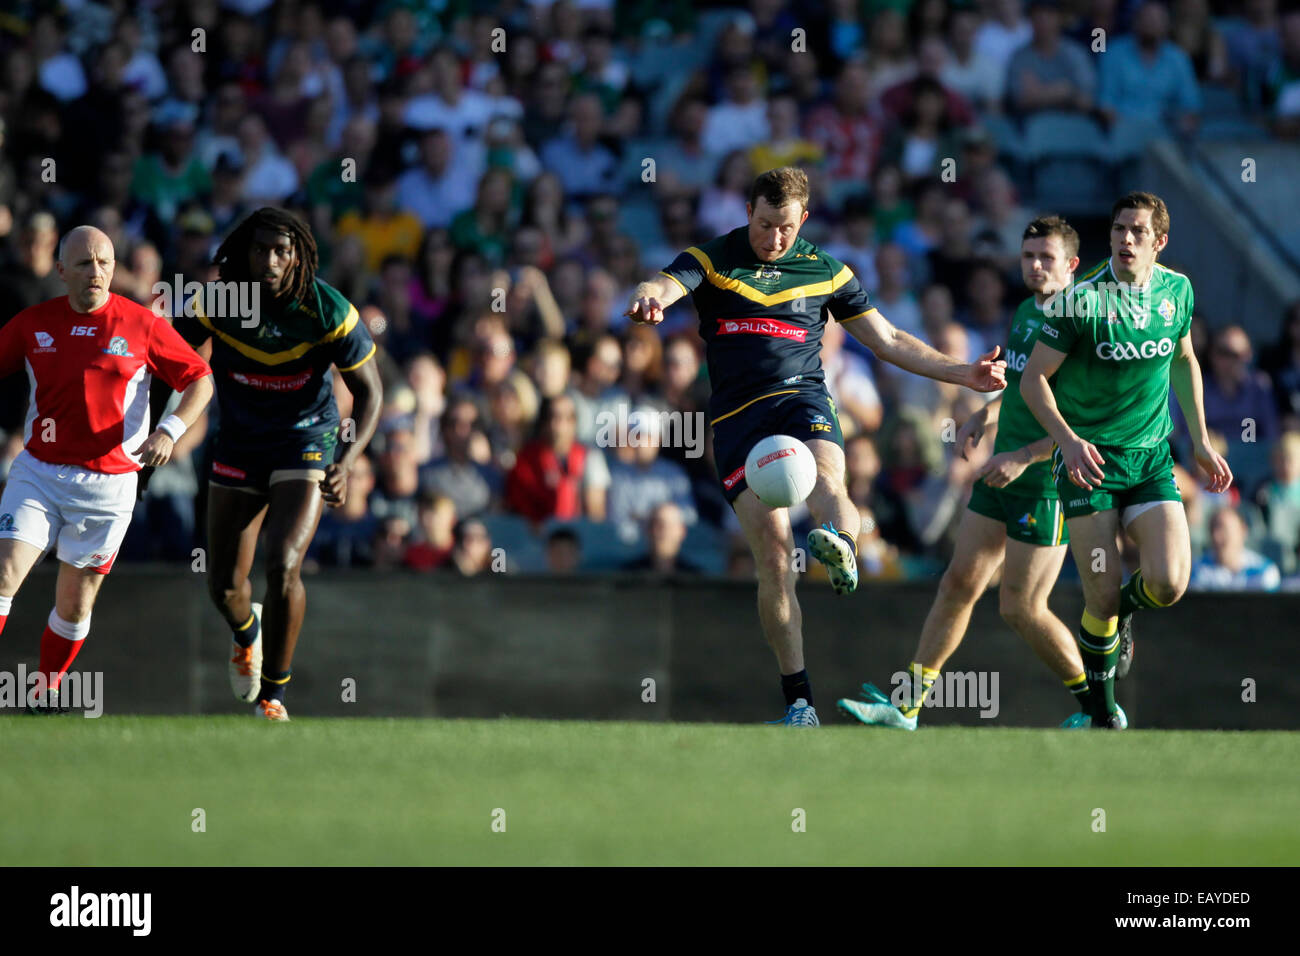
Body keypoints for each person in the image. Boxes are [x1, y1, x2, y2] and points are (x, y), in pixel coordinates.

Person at [624, 166, 1007, 727]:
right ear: (747, 212)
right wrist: (648, 300)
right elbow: (661, 284)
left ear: (802, 220)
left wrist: (962, 373)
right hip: (736, 423)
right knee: (775, 561)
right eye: (763, 224)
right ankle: (799, 703)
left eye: (784, 227)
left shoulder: (827, 271)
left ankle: (842, 543)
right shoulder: (712, 259)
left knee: (831, 480)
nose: (773, 238)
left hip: (801, 399)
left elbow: (889, 339)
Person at [840, 217, 1112, 730]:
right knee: (958, 582)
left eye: (1046, 257)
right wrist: (984, 413)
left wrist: (1022, 458)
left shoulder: (1085, 325)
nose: (1034, 266)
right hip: (1001, 469)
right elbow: (1027, 387)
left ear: (1073, 266)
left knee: (1022, 607)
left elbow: (1084, 426)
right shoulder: (1029, 313)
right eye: (1028, 256)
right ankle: (907, 708)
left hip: (1046, 482)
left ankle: (1101, 708)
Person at [1020, 192, 1232, 729]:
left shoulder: (1177, 290)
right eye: (1119, 229)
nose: (1125, 239)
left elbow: (1184, 360)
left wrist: (1201, 441)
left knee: (1169, 582)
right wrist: (1066, 441)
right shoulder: (1080, 300)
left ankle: (1126, 614)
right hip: (1088, 463)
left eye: (1137, 231)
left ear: (1160, 241)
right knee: (1102, 592)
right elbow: (1032, 380)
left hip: (1151, 460)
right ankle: (1101, 714)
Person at [168, 208, 383, 721]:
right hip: (239, 443)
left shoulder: (327, 309)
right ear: (245, 251)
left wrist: (347, 460)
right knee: (223, 585)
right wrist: (158, 431)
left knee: (284, 563)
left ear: (297, 257)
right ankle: (247, 632)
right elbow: (167, 362)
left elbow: (371, 393)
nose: (270, 259)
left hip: (304, 441)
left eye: (281, 251)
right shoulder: (217, 301)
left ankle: (273, 698)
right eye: (261, 248)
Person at [0, 225, 213, 712]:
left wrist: (170, 430)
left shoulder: (141, 324)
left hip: (111, 485)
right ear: (61, 272)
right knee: (4, 571)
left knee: (75, 601)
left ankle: (45, 691)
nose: (95, 272)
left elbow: (200, 379)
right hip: (39, 473)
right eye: (83, 263)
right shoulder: (34, 324)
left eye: (104, 262)